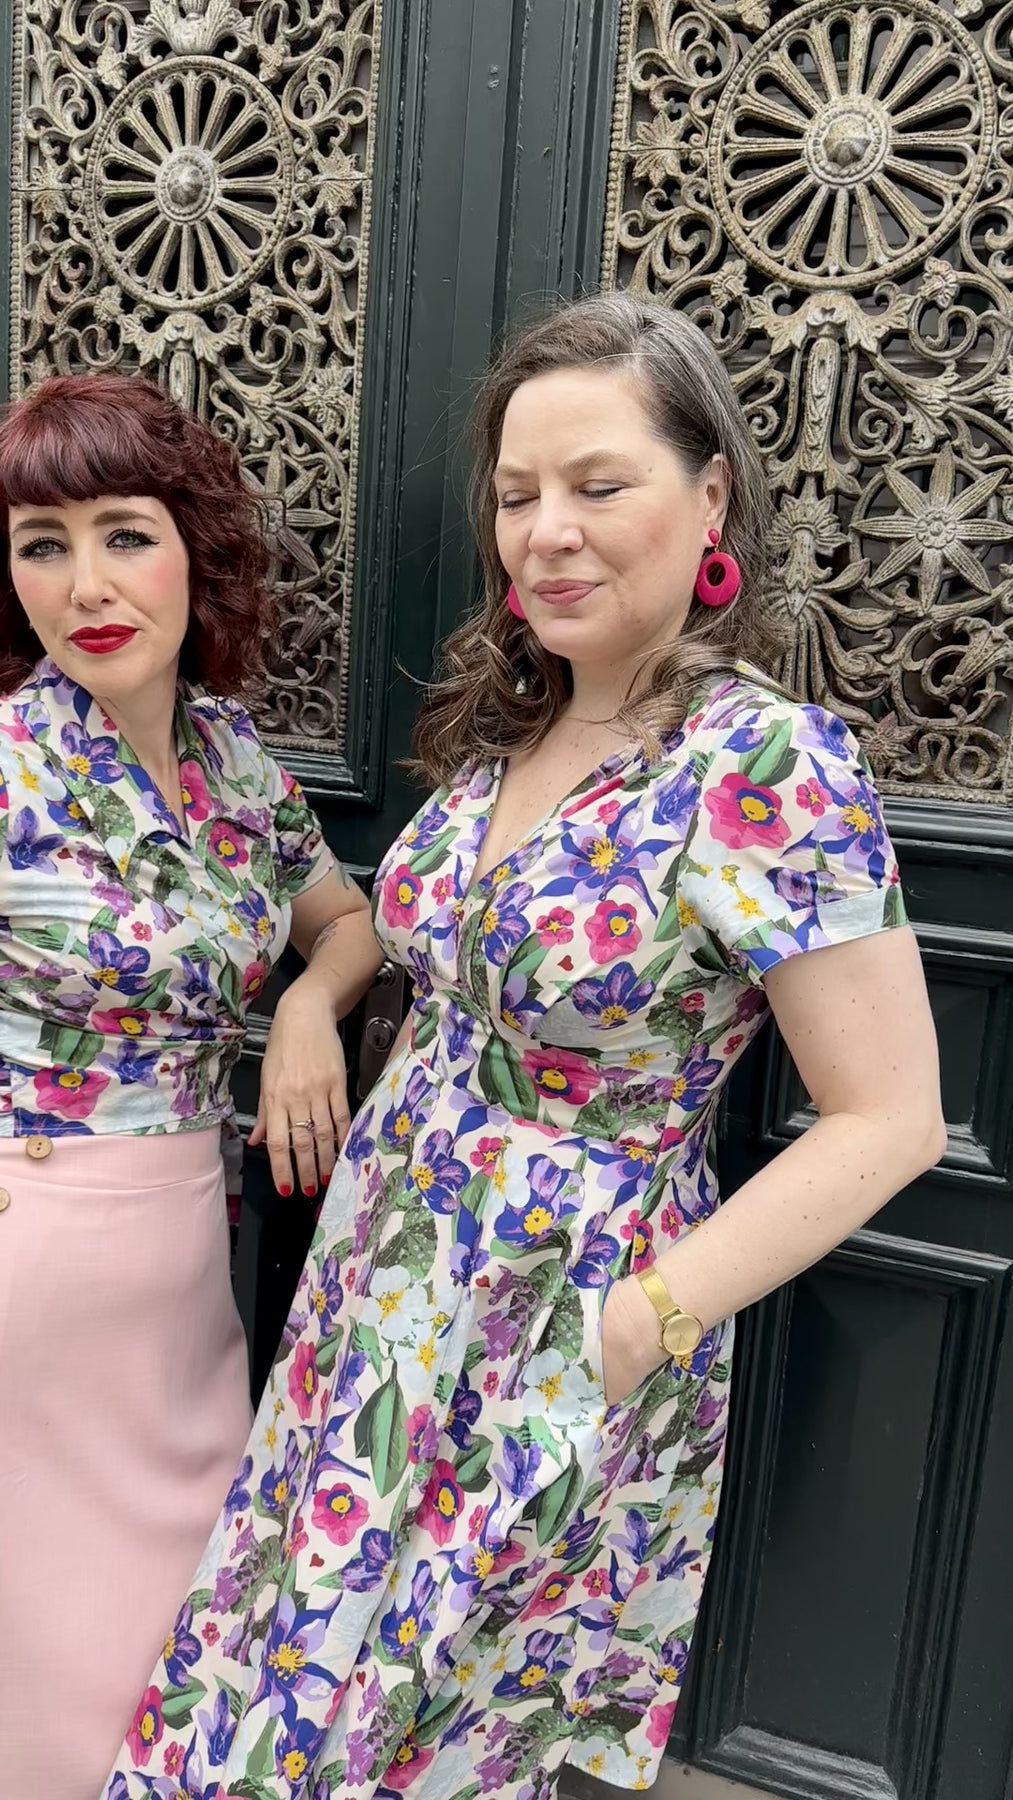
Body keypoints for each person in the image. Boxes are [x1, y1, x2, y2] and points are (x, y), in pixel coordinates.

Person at [101, 292, 944, 1800]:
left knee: (395, 1732)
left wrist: (635, 1326)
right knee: (270, 1678)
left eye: (598, 485)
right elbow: (418, 938)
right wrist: (306, 1004)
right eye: (515, 495)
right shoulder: (515, 724)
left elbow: (888, 1118)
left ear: (710, 496)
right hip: (379, 1289)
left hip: (546, 1327)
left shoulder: (760, 766)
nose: (545, 532)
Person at [0, 373, 381, 1800]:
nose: (85, 585)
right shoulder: (9, 768)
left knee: (189, 1650)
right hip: (32, 1269)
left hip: (183, 1272)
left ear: (192, 550)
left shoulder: (231, 760)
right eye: (42, 545)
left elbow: (350, 921)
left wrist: (309, 1004)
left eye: (124, 534)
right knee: (52, 1680)